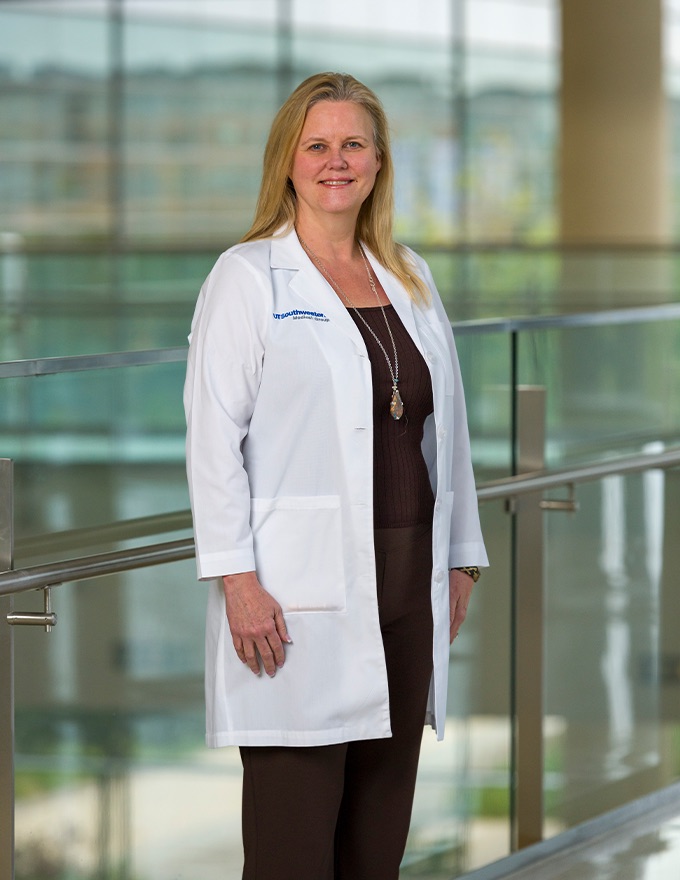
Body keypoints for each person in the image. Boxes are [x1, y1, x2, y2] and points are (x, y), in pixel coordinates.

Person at [184, 71, 488, 880]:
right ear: (287, 161)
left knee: (376, 842)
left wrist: (461, 556)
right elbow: (212, 442)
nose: (335, 161)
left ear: (380, 162)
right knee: (293, 845)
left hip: (408, 581)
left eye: (353, 144)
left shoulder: (410, 276)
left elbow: (446, 432)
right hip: (294, 595)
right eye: (316, 145)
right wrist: (237, 581)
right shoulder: (247, 278)